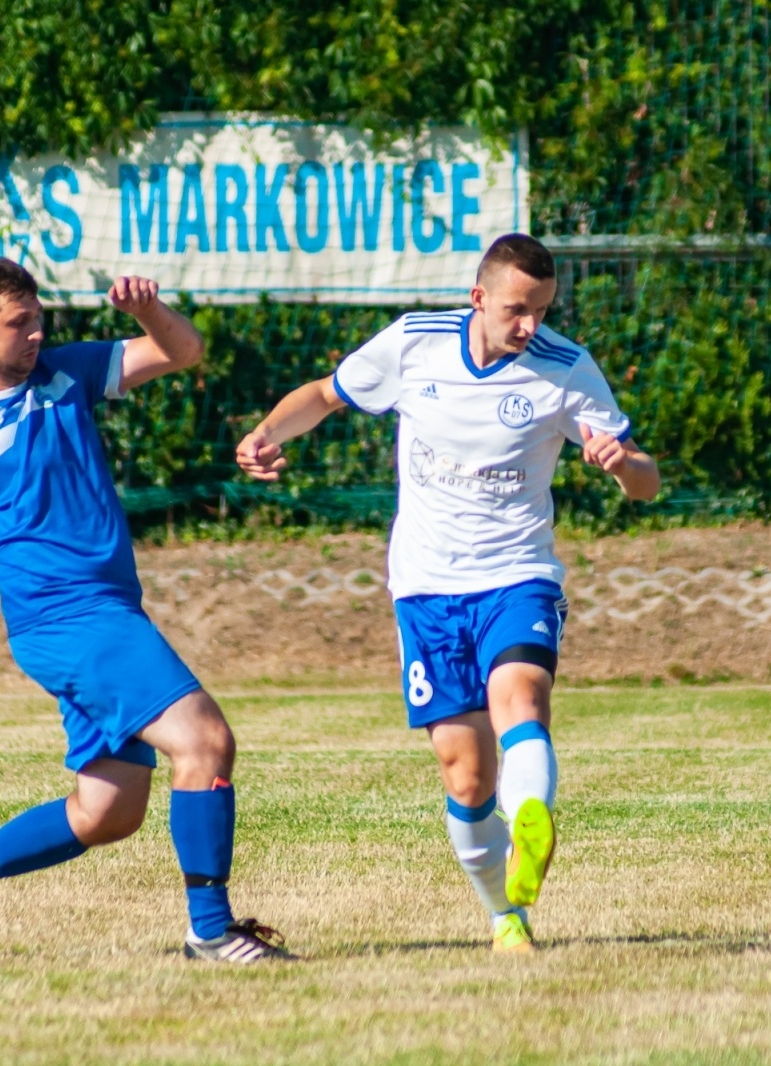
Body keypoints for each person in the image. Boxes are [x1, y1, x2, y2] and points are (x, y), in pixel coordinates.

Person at [0, 256, 287, 963]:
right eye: (17, 323)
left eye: (37, 319)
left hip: (108, 609)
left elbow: (185, 351)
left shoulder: (66, 372)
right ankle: (210, 929)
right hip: (64, 619)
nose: (34, 334)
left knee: (107, 812)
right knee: (204, 743)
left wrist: (148, 310)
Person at [235, 233, 660, 953]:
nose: (531, 326)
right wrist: (267, 434)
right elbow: (326, 396)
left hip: (516, 575)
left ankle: (534, 824)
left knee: (521, 698)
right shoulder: (415, 344)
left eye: (543, 311)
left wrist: (622, 464)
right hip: (427, 587)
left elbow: (647, 484)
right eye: (518, 311)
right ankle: (506, 913)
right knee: (465, 776)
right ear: (479, 298)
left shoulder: (566, 369)